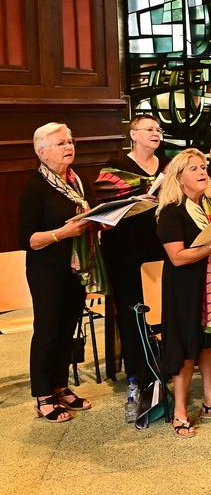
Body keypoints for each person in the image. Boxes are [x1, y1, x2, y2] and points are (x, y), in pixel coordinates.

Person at [156, 149, 211, 437]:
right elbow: (178, 257)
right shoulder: (171, 211)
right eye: (193, 169)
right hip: (185, 289)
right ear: (179, 178)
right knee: (186, 346)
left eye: (203, 167)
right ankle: (180, 411)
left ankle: (210, 401)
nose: (202, 172)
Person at [19, 123, 104, 423]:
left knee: (69, 327)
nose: (69, 147)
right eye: (60, 143)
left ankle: (60, 385)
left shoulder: (77, 181)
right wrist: (62, 233)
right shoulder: (35, 187)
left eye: (70, 141)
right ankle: (43, 394)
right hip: (47, 270)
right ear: (42, 152)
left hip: (74, 268)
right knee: (48, 330)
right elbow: (27, 240)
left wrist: (101, 221)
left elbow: (89, 213)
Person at [94, 115, 168, 386]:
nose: (155, 133)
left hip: (158, 244)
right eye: (149, 129)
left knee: (160, 305)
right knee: (133, 307)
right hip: (125, 247)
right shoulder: (116, 166)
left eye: (158, 130)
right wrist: (134, 199)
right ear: (133, 135)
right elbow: (103, 207)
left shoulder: (167, 165)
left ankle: (163, 362)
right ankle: (138, 368)